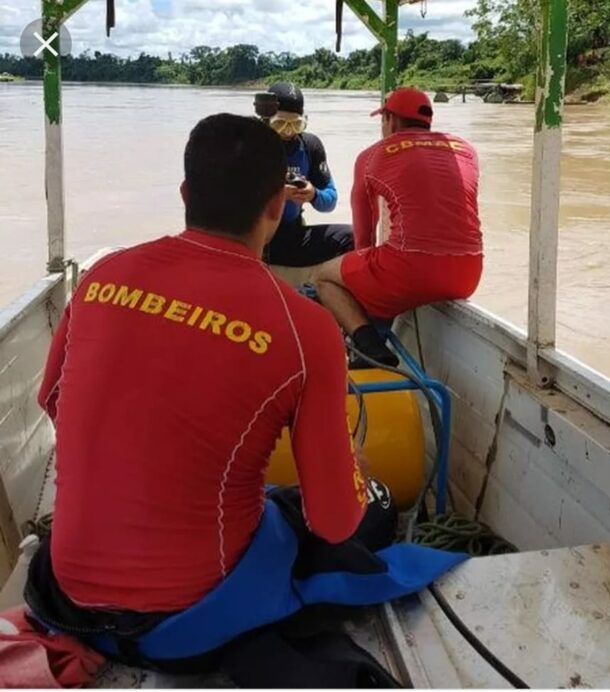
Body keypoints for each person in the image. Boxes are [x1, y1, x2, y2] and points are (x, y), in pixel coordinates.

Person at [25, 113, 464, 667]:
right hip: (190, 616)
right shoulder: (304, 327)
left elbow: (53, 401)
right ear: (277, 205)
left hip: (68, 590)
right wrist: (353, 471)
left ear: (185, 192)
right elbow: (334, 521)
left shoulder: (101, 278)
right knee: (368, 510)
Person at [315, 87, 483, 366]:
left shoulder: (372, 155)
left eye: (383, 119)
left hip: (409, 271)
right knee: (387, 266)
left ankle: (369, 347)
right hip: (468, 275)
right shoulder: (466, 150)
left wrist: (363, 279)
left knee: (323, 276)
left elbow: (365, 234)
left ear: (390, 120)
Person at [262, 82, 353, 267]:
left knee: (353, 237)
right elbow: (231, 203)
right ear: (266, 119)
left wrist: (313, 195)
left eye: (296, 125)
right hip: (254, 240)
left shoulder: (310, 146)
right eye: (280, 124)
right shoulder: (249, 145)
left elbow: (331, 200)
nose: (288, 132)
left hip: (291, 237)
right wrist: (278, 195)